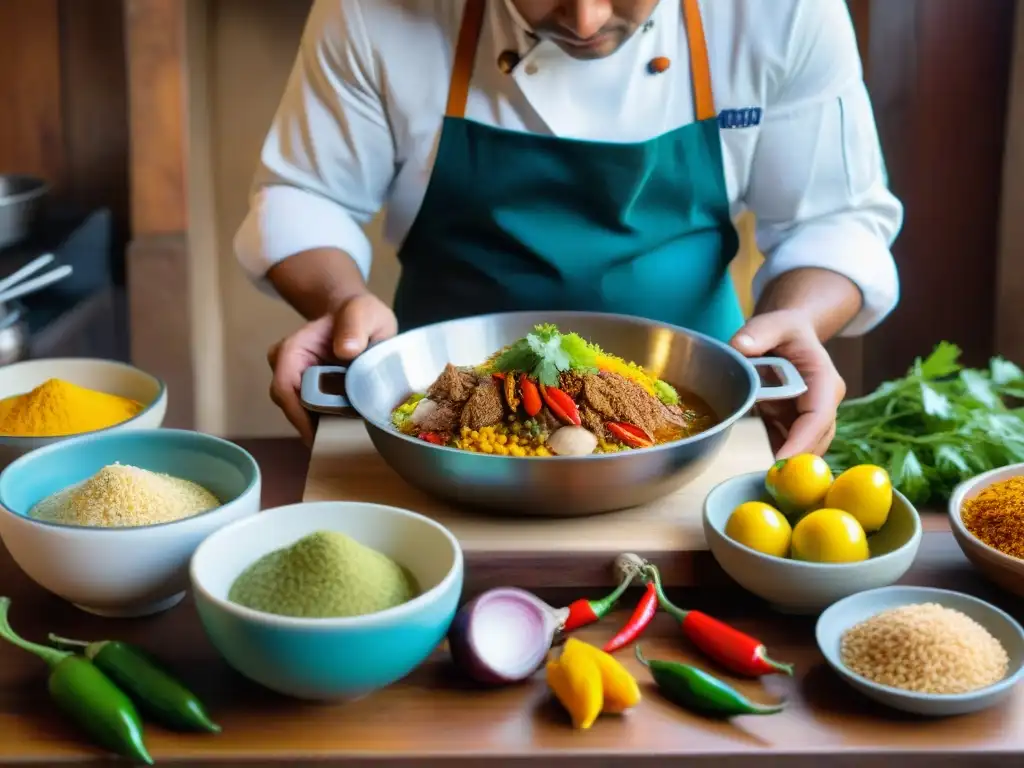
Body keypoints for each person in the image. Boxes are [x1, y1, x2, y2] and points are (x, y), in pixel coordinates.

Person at [235, 0, 903, 455]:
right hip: (442, 415)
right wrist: (339, 304)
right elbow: (307, 197)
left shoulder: (781, 12)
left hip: (693, 419)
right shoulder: (372, 10)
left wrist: (799, 321)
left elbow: (835, 219)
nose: (585, 19)